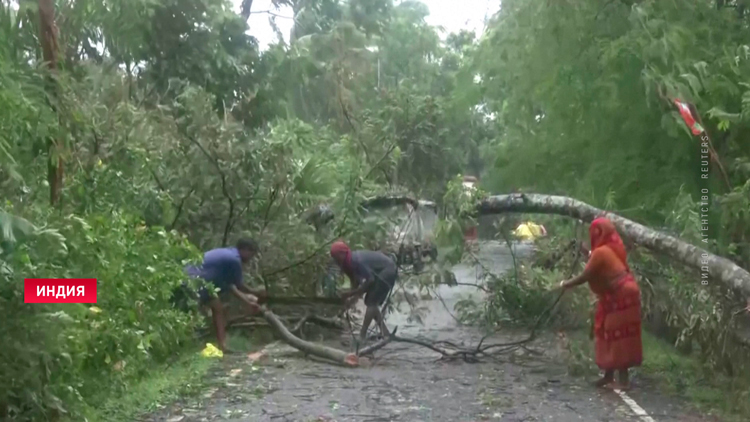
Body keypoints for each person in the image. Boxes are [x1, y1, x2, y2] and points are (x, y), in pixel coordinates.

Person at [559, 217, 642, 390]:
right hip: (623, 292)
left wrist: (565, 284)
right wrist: (586, 253)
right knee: (606, 330)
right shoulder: (611, 248)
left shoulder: (601, 252)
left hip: (621, 294)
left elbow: (586, 275)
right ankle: (608, 375)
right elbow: (599, 261)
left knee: (618, 333)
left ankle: (623, 381)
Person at [185, 238, 267, 353]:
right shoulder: (234, 260)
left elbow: (230, 285)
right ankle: (186, 346)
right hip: (193, 282)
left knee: (218, 308)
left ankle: (222, 346)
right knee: (190, 313)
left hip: (199, 281)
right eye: (251, 254)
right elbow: (237, 286)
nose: (251, 258)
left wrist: (250, 297)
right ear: (245, 250)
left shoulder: (229, 253)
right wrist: (252, 298)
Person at [329, 241, 398, 346]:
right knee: (371, 302)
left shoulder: (356, 260)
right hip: (381, 271)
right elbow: (355, 282)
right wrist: (351, 299)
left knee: (371, 302)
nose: (335, 260)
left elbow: (370, 280)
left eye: (336, 256)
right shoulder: (347, 263)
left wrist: (351, 294)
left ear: (342, 254)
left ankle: (362, 336)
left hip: (387, 270)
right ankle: (385, 332)